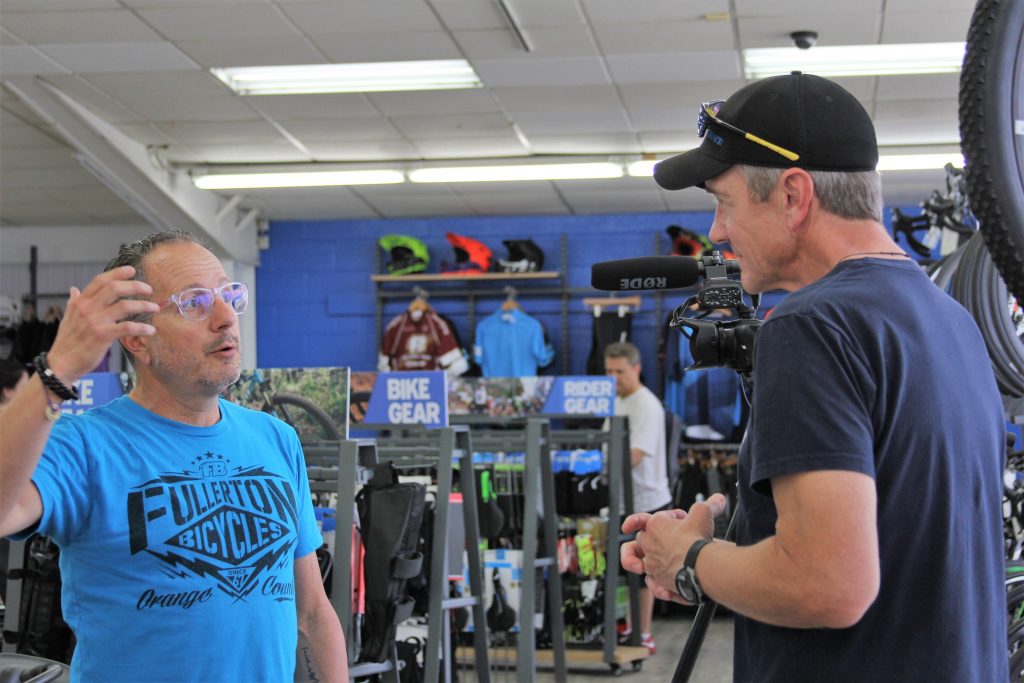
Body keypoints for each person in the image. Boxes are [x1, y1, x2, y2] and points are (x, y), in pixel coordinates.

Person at [621, 72, 1007, 681]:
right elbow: (905, 521)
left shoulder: (811, 324)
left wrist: (686, 558)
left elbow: (829, 585)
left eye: (725, 202)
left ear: (794, 196)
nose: (717, 232)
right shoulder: (951, 321)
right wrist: (743, 525)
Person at [0, 231, 349, 681]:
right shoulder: (84, 445)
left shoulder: (275, 438)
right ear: (138, 341)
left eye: (229, 295)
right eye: (196, 303)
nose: (225, 317)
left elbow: (314, 613)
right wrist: (58, 370)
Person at [604, 341, 672, 654]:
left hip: (647, 501)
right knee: (624, 568)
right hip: (621, 499)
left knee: (643, 569)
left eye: (619, 371)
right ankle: (629, 626)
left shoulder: (647, 405)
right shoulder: (616, 402)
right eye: (609, 372)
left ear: (636, 369)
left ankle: (643, 632)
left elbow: (634, 455)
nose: (614, 378)